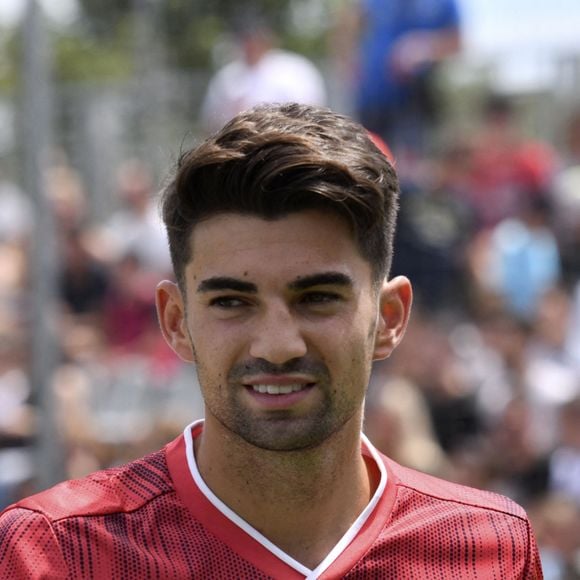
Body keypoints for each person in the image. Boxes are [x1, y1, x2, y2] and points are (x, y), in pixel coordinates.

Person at [0, 103, 542, 578]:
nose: (277, 345)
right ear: (175, 322)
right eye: (232, 302)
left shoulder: (489, 549)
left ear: (390, 316)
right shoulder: (55, 554)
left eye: (317, 298)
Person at [199, 19, 327, 134]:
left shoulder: (294, 70)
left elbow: (312, 110)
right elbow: (210, 122)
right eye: (247, 39)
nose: (251, 45)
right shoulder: (226, 77)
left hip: (288, 140)